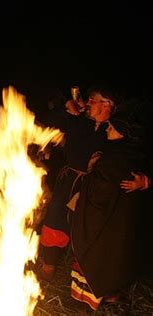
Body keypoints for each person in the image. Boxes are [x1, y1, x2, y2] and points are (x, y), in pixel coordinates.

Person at [38, 85, 149, 280]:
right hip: (69, 181)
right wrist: (66, 109)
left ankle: (87, 275)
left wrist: (145, 181)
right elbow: (43, 123)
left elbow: (137, 154)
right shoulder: (78, 120)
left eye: (92, 99)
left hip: (97, 189)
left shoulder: (118, 129)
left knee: (88, 231)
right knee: (55, 220)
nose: (87, 103)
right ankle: (49, 263)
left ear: (107, 105)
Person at [69, 113, 150, 310]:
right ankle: (110, 292)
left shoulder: (114, 157)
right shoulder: (131, 153)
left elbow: (100, 189)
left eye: (111, 128)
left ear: (123, 133)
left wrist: (90, 171)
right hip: (118, 220)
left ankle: (89, 299)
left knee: (96, 253)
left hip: (105, 220)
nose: (107, 129)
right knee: (112, 254)